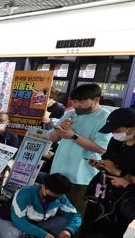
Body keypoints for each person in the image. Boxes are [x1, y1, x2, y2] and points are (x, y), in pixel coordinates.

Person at [81, 108, 135, 238]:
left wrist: (118, 172)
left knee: (107, 236)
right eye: (112, 130)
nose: (114, 133)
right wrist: (100, 165)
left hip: (122, 202)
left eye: (117, 130)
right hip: (101, 193)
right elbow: (109, 161)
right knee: (87, 227)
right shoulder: (116, 142)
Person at [48, 83, 113, 215]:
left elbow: (101, 148)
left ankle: (71, 236)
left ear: (96, 99)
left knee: (74, 213)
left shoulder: (105, 118)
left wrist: (73, 136)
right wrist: (59, 130)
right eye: (74, 101)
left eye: (81, 102)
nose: (76, 105)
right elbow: (53, 138)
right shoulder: (70, 113)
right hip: (58, 171)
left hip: (82, 176)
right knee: (52, 208)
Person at [0, 173, 82, 238]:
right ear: (44, 187)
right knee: (11, 237)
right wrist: (43, 234)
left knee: (65, 222)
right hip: (11, 220)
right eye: (52, 194)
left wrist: (69, 230)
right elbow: (19, 220)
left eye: (58, 195)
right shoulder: (24, 194)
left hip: (37, 223)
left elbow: (76, 216)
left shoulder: (60, 197)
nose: (55, 198)